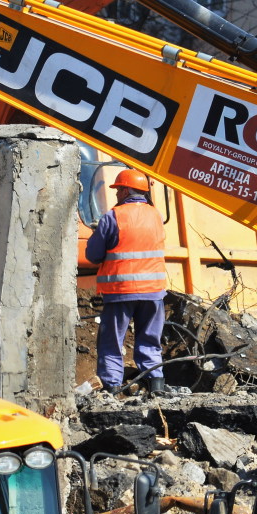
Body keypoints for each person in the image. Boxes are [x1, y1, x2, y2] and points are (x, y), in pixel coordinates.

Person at [86, 169, 168, 394]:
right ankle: (156, 386)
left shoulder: (113, 216)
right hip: (153, 292)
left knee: (111, 342)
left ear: (126, 190)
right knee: (150, 340)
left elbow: (93, 255)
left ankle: (111, 387)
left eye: (118, 189)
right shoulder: (157, 215)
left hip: (121, 291)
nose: (116, 194)